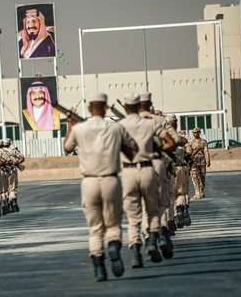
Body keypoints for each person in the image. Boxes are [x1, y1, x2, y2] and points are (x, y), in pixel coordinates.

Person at [63, 92, 138, 282]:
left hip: (89, 182)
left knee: (95, 228)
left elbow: (66, 147)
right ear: (105, 108)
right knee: (113, 224)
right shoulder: (115, 128)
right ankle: (113, 246)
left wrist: (69, 126)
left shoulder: (79, 129)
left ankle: (99, 268)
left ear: (89, 109)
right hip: (111, 180)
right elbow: (134, 146)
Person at [119, 93, 175, 269]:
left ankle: (136, 252)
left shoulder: (118, 126)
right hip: (148, 168)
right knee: (153, 209)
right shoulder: (150, 122)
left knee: (133, 215)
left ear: (124, 108)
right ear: (141, 106)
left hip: (128, 172)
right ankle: (152, 239)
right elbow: (172, 142)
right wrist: (156, 150)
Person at [187, 128, 210, 200]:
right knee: (194, 177)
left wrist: (208, 160)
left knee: (202, 176)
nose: (196, 133)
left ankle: (201, 191)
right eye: (194, 132)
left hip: (202, 161)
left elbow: (206, 151)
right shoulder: (190, 142)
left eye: (197, 132)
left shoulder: (203, 142)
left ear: (199, 133)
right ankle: (197, 193)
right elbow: (189, 152)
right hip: (194, 162)